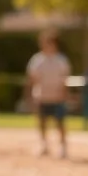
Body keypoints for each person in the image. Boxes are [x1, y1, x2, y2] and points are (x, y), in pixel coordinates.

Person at [26, 28, 71, 158]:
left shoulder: (61, 60)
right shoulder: (37, 60)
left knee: (60, 122)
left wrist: (64, 95)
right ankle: (44, 144)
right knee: (42, 121)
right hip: (42, 96)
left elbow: (64, 80)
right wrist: (30, 96)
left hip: (57, 97)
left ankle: (63, 146)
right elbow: (32, 79)